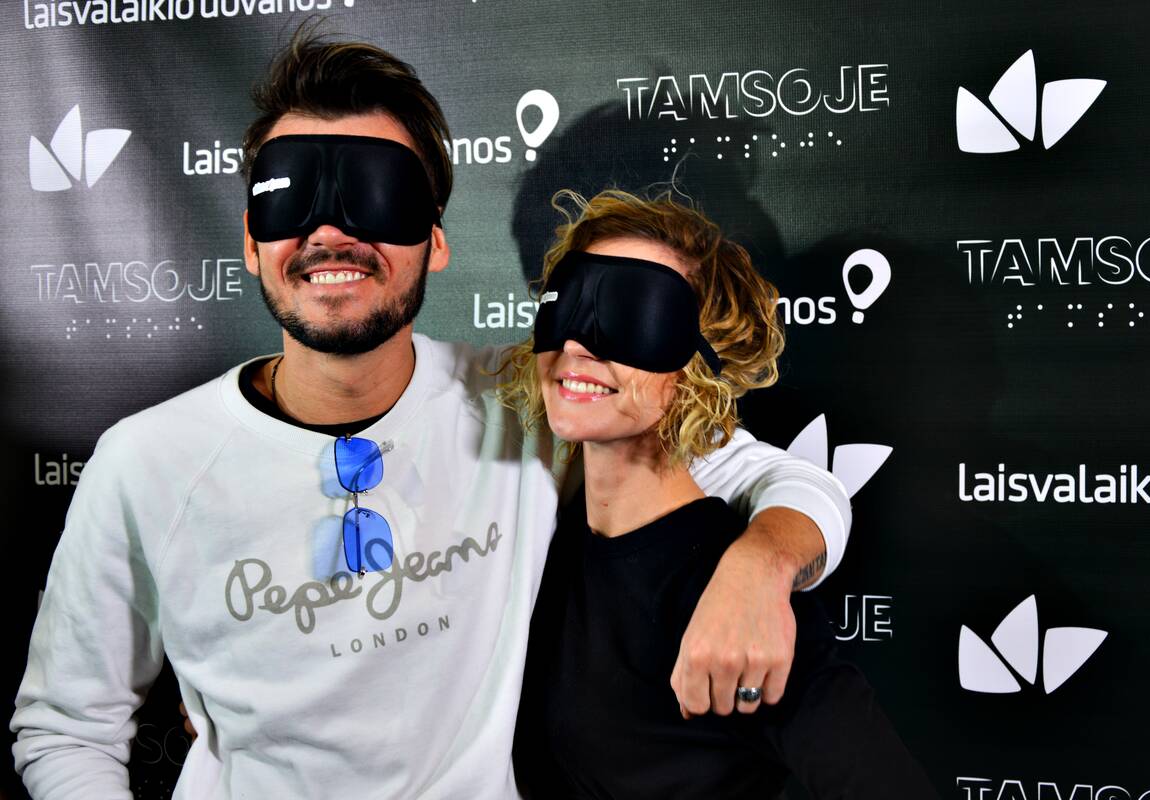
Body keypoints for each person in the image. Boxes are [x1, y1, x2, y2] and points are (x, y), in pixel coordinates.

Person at [10, 30, 851, 800]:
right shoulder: (144, 463)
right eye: (291, 197)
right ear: (250, 242)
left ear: (436, 241)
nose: (331, 231)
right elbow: (65, 729)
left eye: (377, 196)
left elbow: (773, 477)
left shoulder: (531, 401)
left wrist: (761, 565)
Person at [503, 189, 937, 798]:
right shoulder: (543, 531)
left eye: (632, 317)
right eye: (570, 303)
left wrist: (762, 567)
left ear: (697, 369)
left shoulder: (728, 596)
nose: (579, 343)